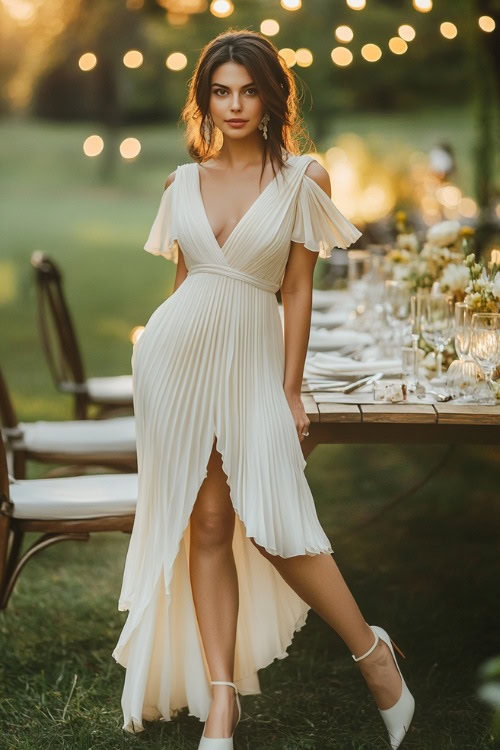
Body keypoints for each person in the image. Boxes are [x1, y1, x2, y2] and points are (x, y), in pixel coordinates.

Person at [112, 29, 415, 750]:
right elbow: (184, 285)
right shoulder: (181, 183)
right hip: (173, 369)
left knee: (279, 520)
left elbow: (299, 290)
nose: (235, 104)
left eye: (249, 89)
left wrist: (290, 388)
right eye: (222, 90)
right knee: (207, 525)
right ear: (205, 98)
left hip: (253, 361)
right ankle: (222, 703)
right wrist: (163, 358)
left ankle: (375, 657)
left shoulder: (304, 177)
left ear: (271, 95)